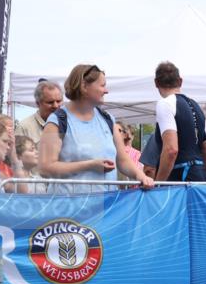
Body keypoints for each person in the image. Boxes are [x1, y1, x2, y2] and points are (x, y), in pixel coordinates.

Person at [39, 64, 154, 193]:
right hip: (68, 208)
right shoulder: (57, 121)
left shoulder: (108, 119)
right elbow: (45, 167)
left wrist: (140, 176)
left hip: (104, 207)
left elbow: (122, 160)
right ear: (84, 86)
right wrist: (90, 165)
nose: (106, 91)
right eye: (102, 85)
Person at [151, 62, 206, 182]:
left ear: (156, 83)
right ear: (180, 81)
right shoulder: (196, 106)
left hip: (180, 179)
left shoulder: (165, 104)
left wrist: (159, 183)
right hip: (200, 177)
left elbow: (171, 150)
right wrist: (199, 170)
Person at [17, 80, 63, 146]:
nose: (55, 106)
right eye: (50, 102)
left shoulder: (69, 125)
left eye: (58, 101)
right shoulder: (24, 128)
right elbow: (16, 155)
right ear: (38, 103)